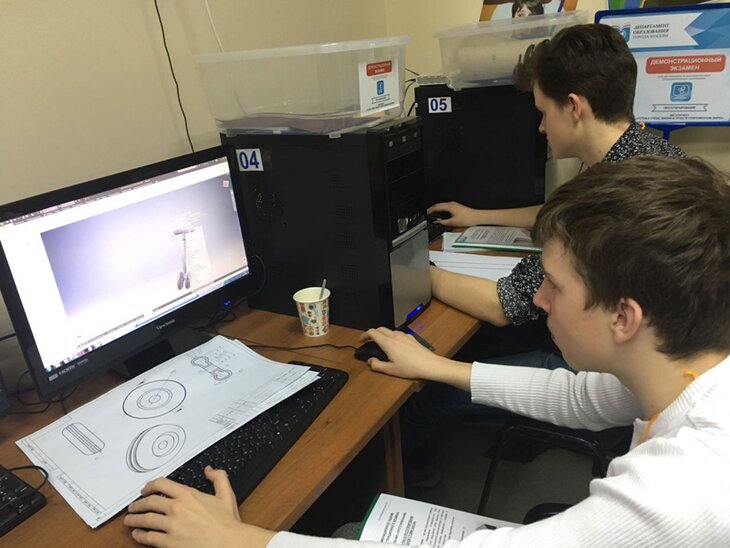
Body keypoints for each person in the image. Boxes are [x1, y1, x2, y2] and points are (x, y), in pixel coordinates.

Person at [123, 156, 730, 546]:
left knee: (349, 527)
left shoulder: (689, 486)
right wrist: (435, 366)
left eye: (554, 285)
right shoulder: (683, 367)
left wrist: (237, 540)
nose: (538, 299)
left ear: (624, 317)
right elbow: (581, 396)